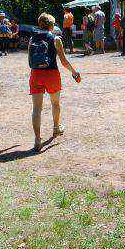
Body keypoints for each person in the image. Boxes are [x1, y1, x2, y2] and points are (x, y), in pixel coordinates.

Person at [28, 13, 79, 151]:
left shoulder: (32, 38)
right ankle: (56, 128)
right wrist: (74, 72)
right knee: (55, 103)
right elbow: (63, 61)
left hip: (36, 74)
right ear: (52, 25)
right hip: (51, 74)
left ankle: (37, 139)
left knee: (36, 108)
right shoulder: (56, 39)